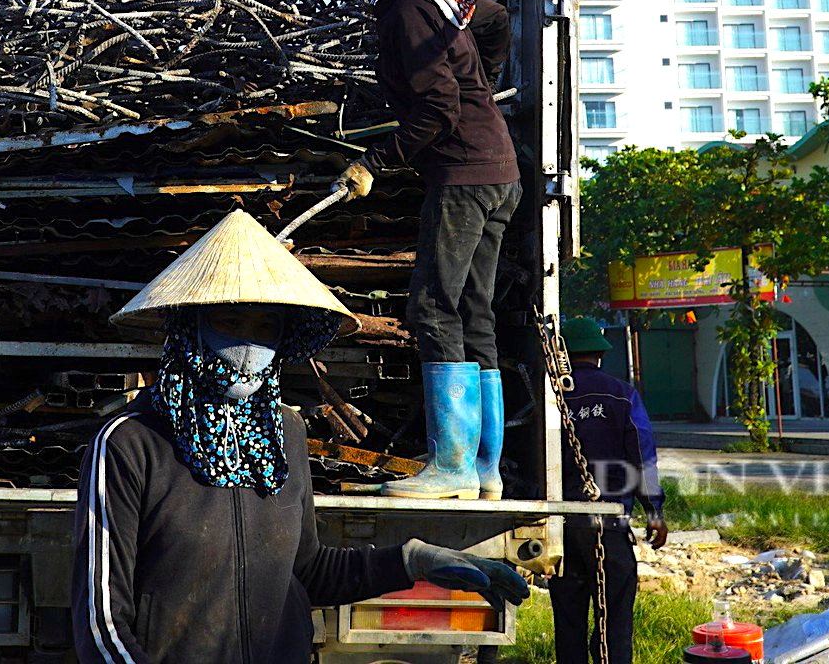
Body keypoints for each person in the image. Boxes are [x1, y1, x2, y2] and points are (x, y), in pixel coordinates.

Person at [72, 208, 529, 663]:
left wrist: (412, 561)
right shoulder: (130, 442)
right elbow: (101, 622)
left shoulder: (284, 432)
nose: (249, 345)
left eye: (266, 327)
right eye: (229, 324)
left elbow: (307, 570)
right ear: (189, 327)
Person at [317, 0, 519, 500]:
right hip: (499, 167)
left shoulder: (408, 6)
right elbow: (498, 23)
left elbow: (437, 107)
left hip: (461, 174)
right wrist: (485, 79)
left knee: (431, 308)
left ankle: (452, 468)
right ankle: (486, 471)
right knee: (474, 312)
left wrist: (375, 162)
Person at [549, 316, 667, 664]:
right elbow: (642, 457)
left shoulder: (550, 397)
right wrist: (655, 512)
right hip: (610, 524)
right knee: (614, 617)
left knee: (568, 617)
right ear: (600, 355)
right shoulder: (622, 395)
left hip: (562, 525)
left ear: (565, 355)